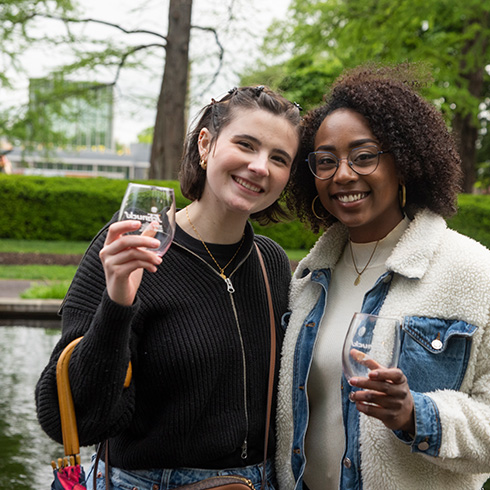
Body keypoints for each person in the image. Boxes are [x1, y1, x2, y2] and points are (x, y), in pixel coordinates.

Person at [36, 85, 302, 490]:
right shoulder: (131, 245)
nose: (260, 166)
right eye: (246, 145)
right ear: (206, 144)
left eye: (278, 158)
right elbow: (73, 417)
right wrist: (117, 301)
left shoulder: (270, 263)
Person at [275, 63, 490, 490]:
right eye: (326, 161)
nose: (343, 174)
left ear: (404, 162)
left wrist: (415, 414)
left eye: (364, 156)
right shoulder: (306, 280)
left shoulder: (472, 271)